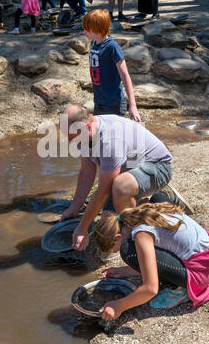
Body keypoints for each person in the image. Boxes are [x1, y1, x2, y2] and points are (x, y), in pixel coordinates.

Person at [60, 106, 176, 252]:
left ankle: (133, 236)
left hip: (158, 168)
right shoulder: (84, 134)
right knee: (106, 226)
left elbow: (102, 192)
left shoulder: (110, 141)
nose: (71, 142)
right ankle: (143, 197)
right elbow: (86, 173)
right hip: (128, 170)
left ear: (87, 127)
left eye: (72, 137)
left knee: (121, 188)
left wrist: (82, 228)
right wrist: (74, 207)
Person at [94, 192, 209, 319]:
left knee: (128, 251)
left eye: (115, 248)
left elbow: (150, 288)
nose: (116, 251)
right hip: (207, 253)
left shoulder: (141, 233)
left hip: (198, 275)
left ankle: (180, 290)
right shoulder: (141, 213)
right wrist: (124, 271)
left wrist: (119, 305)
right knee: (157, 197)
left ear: (117, 237)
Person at [82, 9, 141, 120]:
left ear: (98, 30)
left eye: (87, 29)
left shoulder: (112, 47)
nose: (84, 31)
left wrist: (133, 106)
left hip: (114, 104)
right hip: (99, 102)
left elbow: (125, 76)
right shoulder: (94, 43)